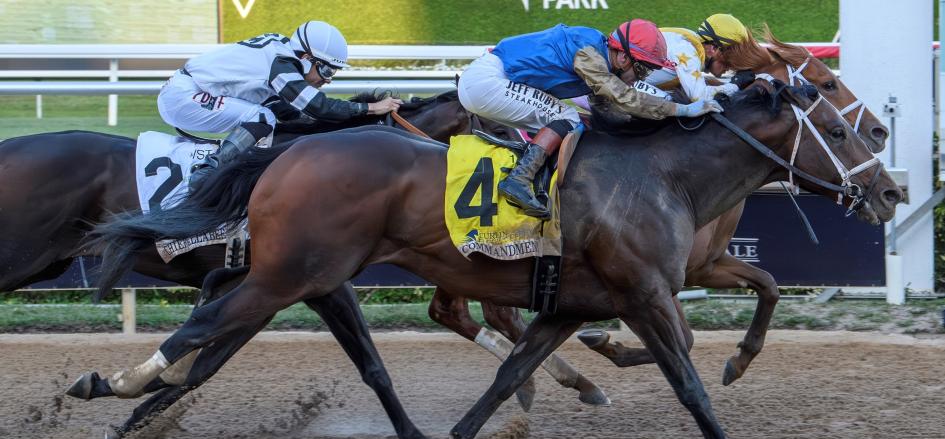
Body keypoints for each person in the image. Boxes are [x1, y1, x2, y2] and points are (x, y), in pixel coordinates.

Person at [458, 20, 723, 220]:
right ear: (622, 57)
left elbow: (607, 111)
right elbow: (623, 98)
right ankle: (518, 179)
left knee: (575, 122)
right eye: (642, 68)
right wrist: (682, 110)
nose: (643, 77)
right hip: (488, 81)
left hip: (491, 81)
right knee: (568, 117)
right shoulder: (589, 54)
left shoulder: (601, 58)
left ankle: (537, 183)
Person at [157, 21, 403, 189]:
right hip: (183, 96)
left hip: (193, 90)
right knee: (262, 118)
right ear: (307, 58)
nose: (327, 79)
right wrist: (370, 109)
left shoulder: (284, 55)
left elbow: (292, 113)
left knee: (272, 114)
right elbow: (317, 106)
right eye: (326, 69)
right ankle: (207, 174)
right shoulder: (281, 63)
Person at [645, 14, 756, 103]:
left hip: (630, 76)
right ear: (713, 48)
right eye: (728, 61)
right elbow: (700, 97)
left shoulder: (689, 41)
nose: (729, 67)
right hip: (628, 84)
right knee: (671, 102)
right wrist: (735, 85)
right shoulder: (687, 52)